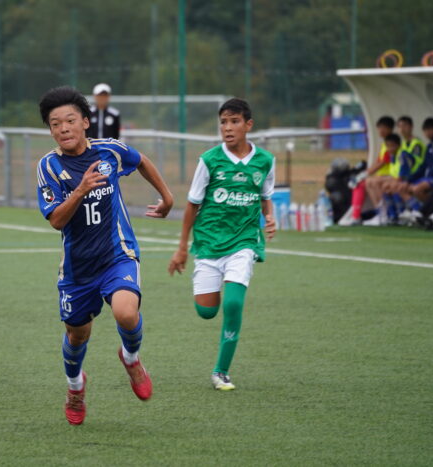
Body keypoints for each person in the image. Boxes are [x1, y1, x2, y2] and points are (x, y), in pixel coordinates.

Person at [36, 86, 174, 425]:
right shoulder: (49, 167)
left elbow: (140, 161)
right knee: (77, 335)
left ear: (86, 122)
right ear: (50, 130)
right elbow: (56, 220)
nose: (64, 128)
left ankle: (131, 358)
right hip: (78, 268)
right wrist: (80, 190)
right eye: (55, 124)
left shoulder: (109, 151)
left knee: (126, 313)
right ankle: (75, 387)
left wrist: (167, 197)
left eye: (70, 120)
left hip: (117, 254)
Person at [167, 98, 276, 391]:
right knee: (206, 311)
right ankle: (206, 288)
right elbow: (192, 205)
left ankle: (221, 371)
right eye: (223, 123)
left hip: (244, 241)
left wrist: (270, 218)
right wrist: (182, 248)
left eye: (234, 122)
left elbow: (265, 195)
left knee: (233, 303)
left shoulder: (266, 161)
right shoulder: (209, 160)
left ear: (248, 125)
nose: (227, 128)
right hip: (209, 242)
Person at [397, 117, 433, 224]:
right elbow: (423, 167)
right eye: (425, 130)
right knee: (403, 187)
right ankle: (419, 211)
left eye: (430, 130)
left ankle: (424, 212)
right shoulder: (429, 146)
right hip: (429, 177)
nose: (428, 133)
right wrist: (408, 180)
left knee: (417, 189)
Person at [340, 116, 395, 226]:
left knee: (367, 182)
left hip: (389, 175)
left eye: (383, 128)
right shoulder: (384, 144)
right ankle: (356, 216)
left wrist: (365, 174)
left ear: (390, 129)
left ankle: (381, 214)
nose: (381, 131)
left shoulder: (392, 143)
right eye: (379, 128)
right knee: (360, 183)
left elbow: (382, 162)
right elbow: (378, 161)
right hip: (383, 175)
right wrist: (364, 173)